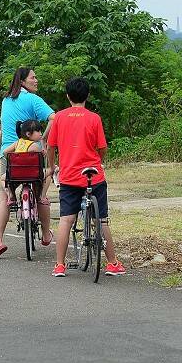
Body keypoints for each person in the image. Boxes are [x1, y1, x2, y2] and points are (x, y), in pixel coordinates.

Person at [45, 77, 126, 278]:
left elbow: (51, 146)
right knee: (102, 220)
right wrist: (98, 160)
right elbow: (102, 147)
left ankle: (60, 265)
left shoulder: (60, 118)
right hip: (93, 175)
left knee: (66, 219)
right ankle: (112, 263)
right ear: (87, 96)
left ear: (67, 96)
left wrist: (53, 166)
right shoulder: (94, 118)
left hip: (69, 176)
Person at [0, 67, 55, 259]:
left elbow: (3, 126)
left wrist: (3, 146)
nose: (36, 80)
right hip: (32, 155)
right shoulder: (33, 100)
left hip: (9, 155)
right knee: (40, 192)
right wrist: (43, 140)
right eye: (33, 77)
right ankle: (45, 233)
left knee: (4, 198)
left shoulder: (5, 101)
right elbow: (54, 117)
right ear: (23, 81)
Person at [2, 118, 53, 246]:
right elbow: (42, 155)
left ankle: (11, 195)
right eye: (38, 131)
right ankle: (41, 196)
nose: (41, 134)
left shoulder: (18, 143)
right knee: (50, 172)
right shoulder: (35, 146)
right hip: (34, 175)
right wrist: (44, 153)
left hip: (16, 176)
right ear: (29, 134)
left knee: (2, 178)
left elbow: (5, 152)